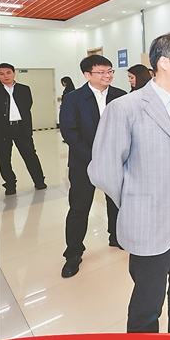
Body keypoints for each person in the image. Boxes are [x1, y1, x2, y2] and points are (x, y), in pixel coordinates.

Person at [88, 32, 170, 333]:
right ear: (164, 62)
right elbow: (103, 169)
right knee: (149, 295)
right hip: (151, 212)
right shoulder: (126, 108)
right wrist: (136, 200)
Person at [59, 55, 127, 278]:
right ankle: (73, 253)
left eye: (110, 71)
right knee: (79, 208)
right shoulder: (73, 99)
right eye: (101, 72)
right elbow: (69, 131)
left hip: (116, 161)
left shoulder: (121, 96)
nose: (107, 75)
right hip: (83, 163)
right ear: (87, 75)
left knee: (116, 202)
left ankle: (117, 236)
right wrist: (95, 157)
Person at [0, 63, 47, 195]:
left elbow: (27, 106)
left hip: (21, 128)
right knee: (4, 158)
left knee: (30, 155)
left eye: (8, 72)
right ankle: (10, 185)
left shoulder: (24, 89)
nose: (6, 76)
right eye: (1, 74)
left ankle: (39, 181)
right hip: (1, 130)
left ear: (14, 73)